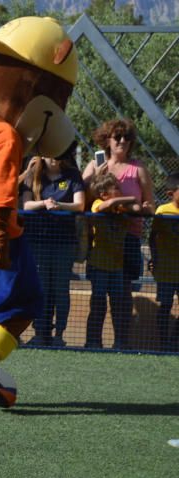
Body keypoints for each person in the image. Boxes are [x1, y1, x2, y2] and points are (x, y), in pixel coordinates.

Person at [81, 118, 154, 299]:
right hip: (100, 239)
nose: (122, 141)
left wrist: (142, 209)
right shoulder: (95, 165)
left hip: (129, 237)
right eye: (118, 137)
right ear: (107, 140)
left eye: (127, 137)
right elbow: (82, 201)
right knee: (98, 298)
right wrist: (95, 178)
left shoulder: (138, 168)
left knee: (123, 296)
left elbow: (150, 205)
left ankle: (122, 328)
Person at [19, 155, 85, 346]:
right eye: (51, 154)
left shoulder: (72, 175)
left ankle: (59, 334)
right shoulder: (34, 175)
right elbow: (26, 204)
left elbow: (79, 204)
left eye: (59, 154)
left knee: (60, 289)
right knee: (41, 288)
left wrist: (59, 206)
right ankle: (40, 332)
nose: (55, 158)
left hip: (64, 243)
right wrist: (43, 204)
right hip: (38, 242)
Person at [85, 172, 149, 349]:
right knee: (98, 304)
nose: (120, 191)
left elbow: (137, 209)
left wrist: (133, 203)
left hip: (117, 267)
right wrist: (129, 198)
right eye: (116, 188)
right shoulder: (98, 204)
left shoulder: (122, 209)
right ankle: (92, 342)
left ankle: (119, 342)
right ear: (104, 193)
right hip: (99, 265)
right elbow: (107, 205)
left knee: (118, 304)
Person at [150, 173, 179, 351]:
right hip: (166, 269)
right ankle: (163, 344)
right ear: (171, 193)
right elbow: (153, 238)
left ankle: (175, 339)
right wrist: (155, 259)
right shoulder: (163, 211)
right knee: (166, 304)